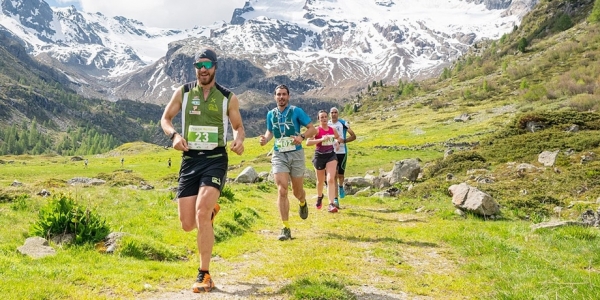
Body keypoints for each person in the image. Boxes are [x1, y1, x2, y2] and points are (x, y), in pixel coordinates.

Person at [160, 48, 245, 293]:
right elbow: (165, 119)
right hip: (190, 159)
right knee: (188, 224)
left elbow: (238, 126)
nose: (203, 69)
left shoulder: (228, 97)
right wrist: (174, 136)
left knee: (201, 210)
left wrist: (239, 140)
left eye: (207, 64)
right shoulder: (184, 93)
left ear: (215, 67)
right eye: (198, 65)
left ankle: (204, 273)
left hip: (215, 158)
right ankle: (209, 213)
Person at [259, 84, 316, 241]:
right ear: (274, 97)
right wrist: (265, 139)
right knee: (282, 190)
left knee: (297, 192)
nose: (281, 97)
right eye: (278, 94)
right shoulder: (271, 114)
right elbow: (270, 131)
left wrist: (302, 137)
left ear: (288, 96)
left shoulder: (296, 111)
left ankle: (303, 202)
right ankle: (285, 228)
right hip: (279, 154)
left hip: (296, 154)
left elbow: (313, 129)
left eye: (284, 94)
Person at [306, 110, 340, 213]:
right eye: (322, 117)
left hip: (331, 155)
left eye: (325, 117)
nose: (324, 119)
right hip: (319, 156)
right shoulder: (316, 130)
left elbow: (338, 138)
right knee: (320, 181)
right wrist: (321, 140)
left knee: (330, 179)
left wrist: (337, 142)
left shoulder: (332, 129)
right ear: (318, 119)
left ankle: (331, 204)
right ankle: (320, 197)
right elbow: (308, 142)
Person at [328, 107, 357, 206]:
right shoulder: (327, 124)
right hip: (331, 153)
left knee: (340, 175)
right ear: (329, 114)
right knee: (334, 175)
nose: (334, 114)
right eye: (332, 112)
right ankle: (335, 199)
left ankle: (341, 186)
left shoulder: (343, 123)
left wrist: (343, 141)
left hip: (342, 152)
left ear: (338, 114)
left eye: (335, 112)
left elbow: (353, 136)